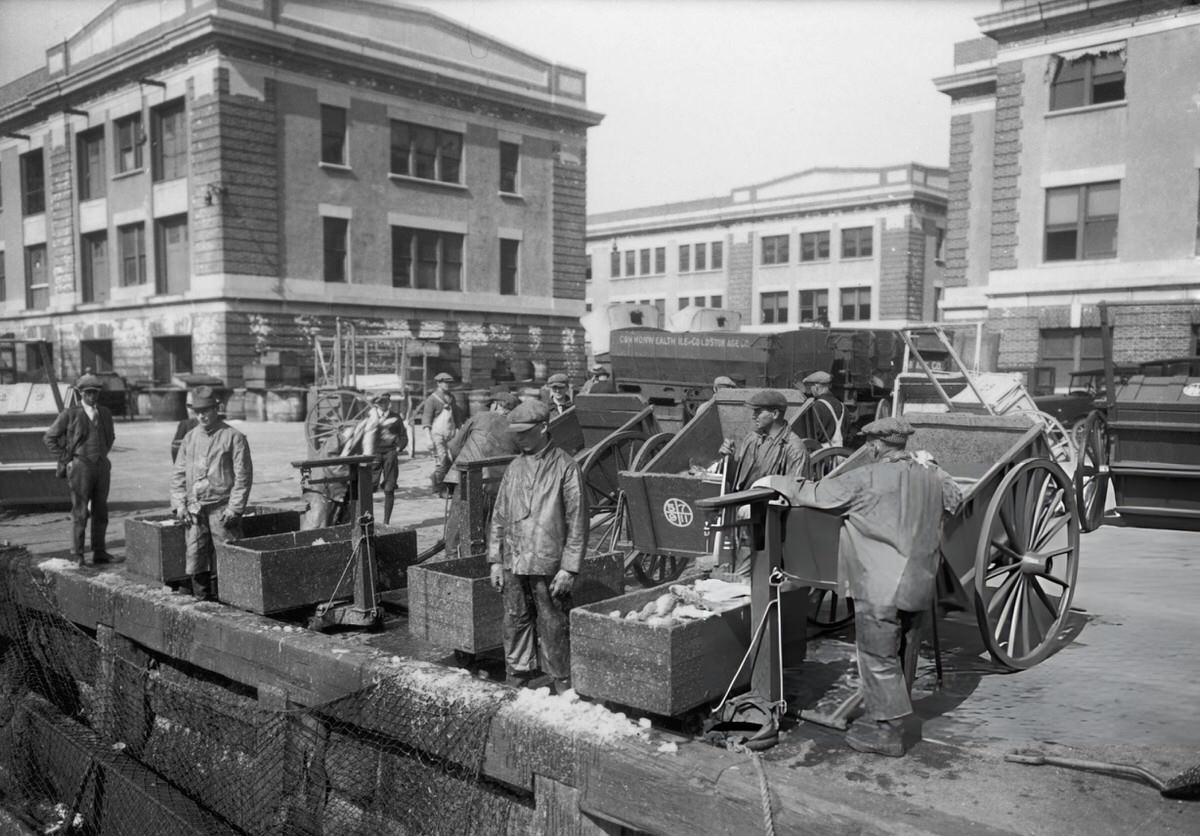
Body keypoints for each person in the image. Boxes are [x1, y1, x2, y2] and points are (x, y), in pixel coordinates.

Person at [788, 416, 962, 757]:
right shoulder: (932, 475)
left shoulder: (865, 477)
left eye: (868, 444)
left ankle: (889, 734)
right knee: (902, 653)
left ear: (875, 445)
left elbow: (813, 493)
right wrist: (937, 469)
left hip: (878, 584)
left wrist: (776, 481)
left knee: (877, 656)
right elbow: (956, 501)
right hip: (919, 581)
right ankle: (892, 721)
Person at [488, 400, 587, 693]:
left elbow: (578, 521)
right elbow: (499, 516)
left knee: (553, 623)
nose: (519, 438)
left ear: (543, 428)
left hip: (549, 561)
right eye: (516, 432)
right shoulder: (514, 468)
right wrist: (495, 560)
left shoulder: (566, 467)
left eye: (525, 432)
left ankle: (562, 682)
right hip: (513, 560)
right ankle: (517, 676)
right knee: (515, 619)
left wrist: (569, 568)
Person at [170, 386, 253, 600]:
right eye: (197, 411)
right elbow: (178, 474)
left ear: (217, 409)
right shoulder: (190, 438)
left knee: (230, 554)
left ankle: (235, 602)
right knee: (196, 554)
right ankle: (203, 599)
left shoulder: (233, 437)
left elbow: (243, 476)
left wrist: (235, 508)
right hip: (195, 509)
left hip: (222, 509)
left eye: (206, 410)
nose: (201, 415)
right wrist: (180, 504)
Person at [716, 389, 808, 576]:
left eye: (759, 412)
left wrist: (760, 508)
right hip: (745, 512)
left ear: (774, 414)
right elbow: (738, 481)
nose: (754, 416)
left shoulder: (794, 448)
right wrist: (729, 459)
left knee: (747, 571)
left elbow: (794, 494)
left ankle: (744, 588)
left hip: (771, 518)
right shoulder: (752, 439)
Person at [44, 373, 116, 565]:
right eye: (88, 393)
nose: (92, 397)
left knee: (101, 510)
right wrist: (67, 458)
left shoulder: (105, 413)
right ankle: (77, 553)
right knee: (80, 510)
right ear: (80, 394)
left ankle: (99, 551)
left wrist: (102, 455)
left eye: (95, 393)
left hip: (101, 466)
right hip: (80, 466)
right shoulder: (70, 414)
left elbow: (110, 437)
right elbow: (49, 437)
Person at [444, 391, 520, 558]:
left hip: (466, 481)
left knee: (457, 528)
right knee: (489, 531)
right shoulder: (517, 428)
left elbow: (454, 446)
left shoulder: (480, 417)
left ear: (497, 405)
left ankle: (451, 559)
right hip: (496, 488)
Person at [351, 393, 407, 524]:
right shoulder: (369, 417)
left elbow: (403, 437)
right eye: (381, 403)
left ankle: (386, 522)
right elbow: (360, 435)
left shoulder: (395, 417)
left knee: (389, 487)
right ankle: (367, 520)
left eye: (386, 402)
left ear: (389, 402)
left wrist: (398, 448)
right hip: (373, 454)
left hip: (390, 454)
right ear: (376, 404)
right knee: (369, 487)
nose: (384, 405)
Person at [421, 372, 463, 498]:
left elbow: (456, 416)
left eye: (449, 382)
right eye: (445, 382)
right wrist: (428, 439)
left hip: (450, 434)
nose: (448, 385)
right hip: (437, 434)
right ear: (438, 383)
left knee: (453, 460)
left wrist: (460, 430)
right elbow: (426, 421)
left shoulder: (451, 398)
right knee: (442, 460)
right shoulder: (432, 400)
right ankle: (440, 489)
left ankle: (447, 485)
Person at [804, 370, 845, 448]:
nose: (811, 391)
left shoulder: (816, 406)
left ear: (816, 387)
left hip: (822, 456)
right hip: (842, 454)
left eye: (811, 387)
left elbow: (812, 434)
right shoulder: (843, 406)